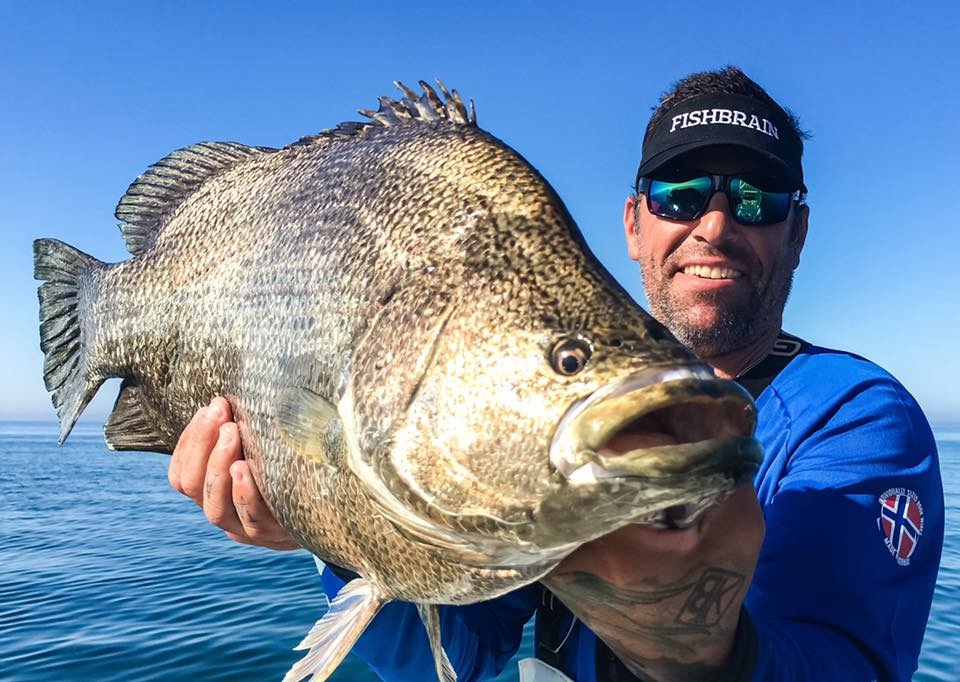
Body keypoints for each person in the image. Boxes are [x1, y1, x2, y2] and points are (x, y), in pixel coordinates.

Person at [168, 67, 943, 681]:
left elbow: (847, 663)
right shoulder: (534, 421)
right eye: (679, 194)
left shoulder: (855, 415)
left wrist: (698, 642)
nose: (714, 223)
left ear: (797, 232)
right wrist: (340, 533)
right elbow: (458, 660)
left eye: (756, 198)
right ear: (635, 224)